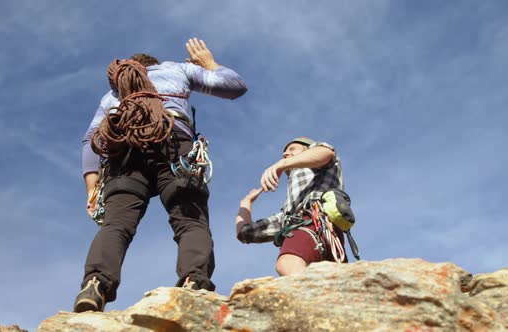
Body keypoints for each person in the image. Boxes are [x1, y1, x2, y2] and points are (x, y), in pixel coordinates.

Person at [74, 38, 247, 312]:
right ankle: (194, 282)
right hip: (174, 143)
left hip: (125, 154)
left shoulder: (113, 95)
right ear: (154, 65)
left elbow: (90, 140)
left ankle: (95, 283)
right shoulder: (177, 70)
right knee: (190, 220)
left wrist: (92, 187)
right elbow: (235, 87)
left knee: (116, 225)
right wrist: (209, 64)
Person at [236, 136, 358, 276]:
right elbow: (245, 233)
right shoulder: (288, 216)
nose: (286, 154)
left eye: (292, 149)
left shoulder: (318, 158)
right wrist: (246, 203)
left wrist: (281, 164)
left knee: (288, 263)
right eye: (284, 154)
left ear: (308, 148)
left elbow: (326, 153)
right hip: (314, 229)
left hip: (315, 220)